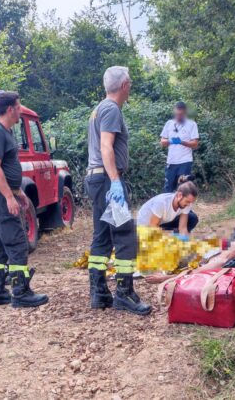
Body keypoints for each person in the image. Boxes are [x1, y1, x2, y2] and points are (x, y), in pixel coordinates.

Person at [86, 66, 151, 316]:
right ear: (123, 85)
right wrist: (115, 182)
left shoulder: (99, 108)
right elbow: (106, 146)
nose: (131, 86)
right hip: (106, 179)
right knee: (124, 234)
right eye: (130, 82)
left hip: (96, 178)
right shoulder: (111, 109)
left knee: (102, 235)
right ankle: (124, 294)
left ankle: (99, 291)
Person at [0, 91, 49, 308]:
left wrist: (16, 191)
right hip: (0, 196)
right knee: (18, 241)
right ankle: (20, 292)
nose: (20, 110)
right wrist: (8, 195)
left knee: (0, 241)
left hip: (1, 192)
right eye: (19, 107)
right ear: (10, 109)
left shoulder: (3, 132)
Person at [160, 102, 199, 193]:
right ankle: (168, 207)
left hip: (185, 161)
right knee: (168, 190)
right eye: (177, 114)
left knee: (184, 189)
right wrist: (170, 141)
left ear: (185, 113)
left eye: (181, 114)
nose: (179, 116)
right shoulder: (169, 124)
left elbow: (195, 143)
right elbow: (162, 142)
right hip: (171, 161)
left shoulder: (192, 124)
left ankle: (184, 207)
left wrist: (182, 142)